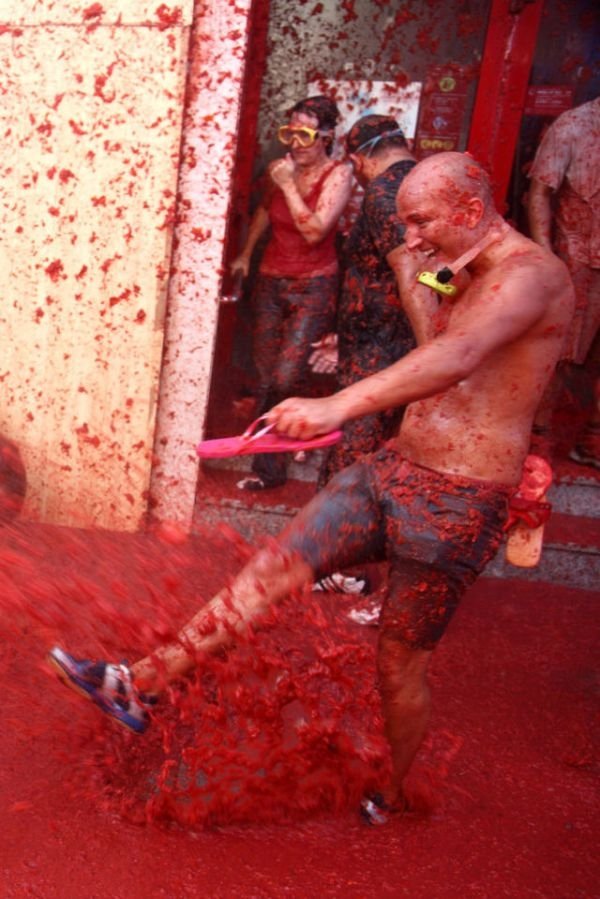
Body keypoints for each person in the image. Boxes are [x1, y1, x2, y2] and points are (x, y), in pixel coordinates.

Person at [50, 152, 573, 820]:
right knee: (270, 569)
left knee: (398, 664)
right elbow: (434, 344)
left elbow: (458, 357)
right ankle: (138, 684)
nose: (410, 236)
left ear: (470, 212)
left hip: (460, 500)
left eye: (420, 223)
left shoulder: (535, 274)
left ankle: (392, 789)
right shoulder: (458, 267)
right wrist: (416, 270)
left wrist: (336, 405)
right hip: (392, 467)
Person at [308, 115, 425, 599]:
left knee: (353, 453)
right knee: (361, 450)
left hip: (382, 347)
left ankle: (341, 566)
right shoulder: (417, 187)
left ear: (358, 159)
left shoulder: (383, 195)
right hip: (378, 340)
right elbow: (429, 275)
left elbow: (415, 273)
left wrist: (432, 335)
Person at [230, 95, 353, 490]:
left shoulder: (338, 173)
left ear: (326, 136)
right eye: (290, 134)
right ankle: (274, 461)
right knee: (267, 373)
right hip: (270, 278)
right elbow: (267, 212)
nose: (296, 144)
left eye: (304, 135)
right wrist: (246, 254)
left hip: (314, 282)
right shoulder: (281, 171)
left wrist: (289, 186)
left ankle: (278, 455)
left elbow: (315, 230)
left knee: (286, 376)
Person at [527, 95, 600, 467]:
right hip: (576, 257)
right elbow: (540, 192)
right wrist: (546, 256)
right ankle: (536, 437)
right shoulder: (574, 125)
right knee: (559, 354)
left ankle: (594, 436)